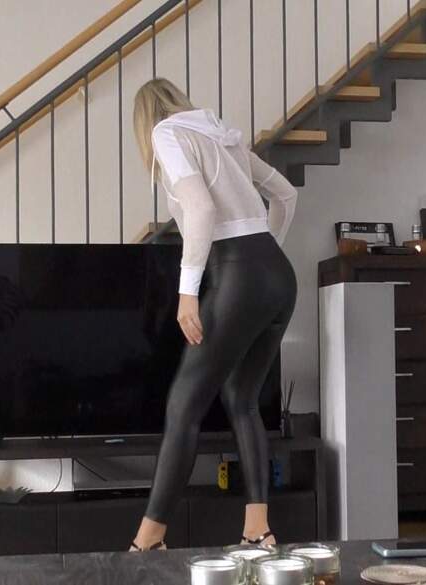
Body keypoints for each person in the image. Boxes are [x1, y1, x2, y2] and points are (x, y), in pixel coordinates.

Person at [129, 78, 298, 551]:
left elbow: (200, 209)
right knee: (242, 399)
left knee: (183, 405)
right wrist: (265, 255)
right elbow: (286, 195)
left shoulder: (166, 133)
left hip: (239, 274)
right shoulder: (223, 137)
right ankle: (257, 530)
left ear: (144, 120)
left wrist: (187, 293)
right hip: (279, 276)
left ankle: (149, 540)